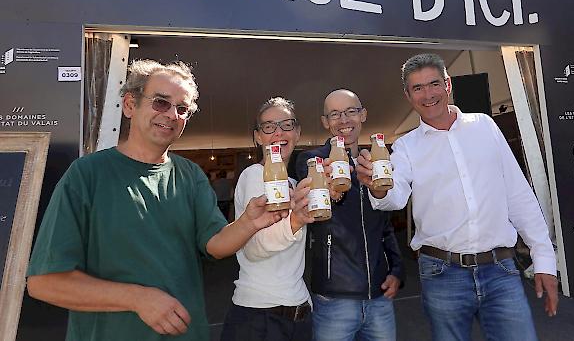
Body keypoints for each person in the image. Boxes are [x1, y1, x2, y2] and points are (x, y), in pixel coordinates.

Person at [26, 60, 300, 341]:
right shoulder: (87, 175)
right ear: (130, 105)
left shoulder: (190, 174)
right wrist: (137, 298)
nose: (171, 114)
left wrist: (247, 224)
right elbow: (44, 283)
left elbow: (215, 245)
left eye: (182, 109)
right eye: (161, 103)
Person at [356, 53, 558, 341]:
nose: (428, 94)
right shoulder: (405, 146)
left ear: (447, 84)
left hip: (500, 268)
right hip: (442, 274)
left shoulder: (485, 125)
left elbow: (519, 194)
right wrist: (377, 187)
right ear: (408, 95)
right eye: (418, 88)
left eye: (434, 84)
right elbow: (395, 196)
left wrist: (544, 260)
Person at [295, 89, 403, 341]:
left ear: (363, 115)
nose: (343, 120)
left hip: (379, 296)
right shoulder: (313, 161)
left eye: (350, 111)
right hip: (335, 296)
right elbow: (317, 209)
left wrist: (398, 270)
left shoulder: (374, 162)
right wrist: (333, 189)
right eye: (335, 114)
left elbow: (385, 225)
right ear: (325, 122)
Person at [221, 97, 315, 341]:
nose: (278, 132)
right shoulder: (254, 175)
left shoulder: (293, 184)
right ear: (258, 136)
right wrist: (296, 221)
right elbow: (253, 249)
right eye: (269, 127)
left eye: (286, 125)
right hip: (260, 318)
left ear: (297, 132)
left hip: (297, 310)